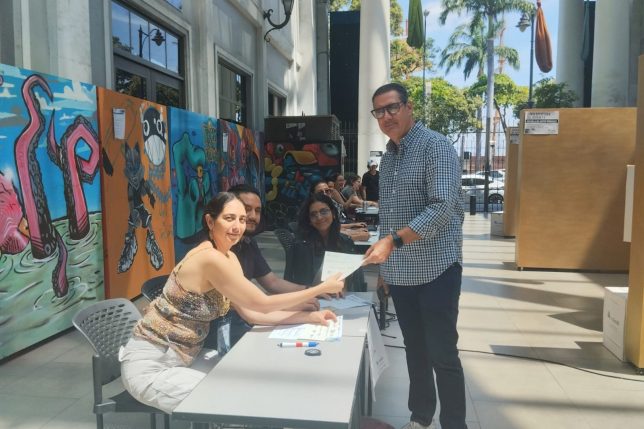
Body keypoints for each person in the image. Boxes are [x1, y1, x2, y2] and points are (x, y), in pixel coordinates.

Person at [119, 192, 344, 413]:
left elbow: (253, 314)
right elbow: (261, 303)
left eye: (242, 219)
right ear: (210, 221)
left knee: (256, 381)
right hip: (151, 366)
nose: (237, 227)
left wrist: (310, 317)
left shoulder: (229, 257)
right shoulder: (209, 258)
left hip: (185, 358)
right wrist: (320, 289)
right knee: (236, 400)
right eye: (229, 218)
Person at [363, 83, 466, 429]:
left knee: (443, 354)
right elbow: (388, 215)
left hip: (437, 270)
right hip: (402, 274)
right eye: (379, 111)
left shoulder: (436, 146)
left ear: (409, 107)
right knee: (415, 350)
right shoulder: (389, 157)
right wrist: (385, 268)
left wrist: (393, 242)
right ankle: (420, 417)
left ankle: (454, 424)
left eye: (392, 107)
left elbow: (442, 207)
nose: (386, 116)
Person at [206, 184, 319, 349]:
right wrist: (297, 306)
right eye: (246, 210)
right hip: (213, 333)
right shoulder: (213, 252)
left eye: (257, 210)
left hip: (239, 321)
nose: (252, 216)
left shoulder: (246, 243)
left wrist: (311, 290)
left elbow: (272, 282)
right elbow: (249, 308)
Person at [285, 193, 366, 292]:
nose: (319, 217)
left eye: (324, 212)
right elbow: (300, 283)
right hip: (312, 296)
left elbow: (355, 281)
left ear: (333, 213)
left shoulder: (345, 241)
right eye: (313, 214)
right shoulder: (301, 246)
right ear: (309, 220)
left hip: (344, 297)